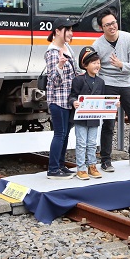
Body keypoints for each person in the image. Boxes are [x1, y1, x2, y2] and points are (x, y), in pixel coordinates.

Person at [92, 8, 130, 171]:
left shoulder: (128, 38)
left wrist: (121, 65)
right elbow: (91, 65)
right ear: (101, 28)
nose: (112, 27)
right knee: (108, 124)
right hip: (108, 84)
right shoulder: (97, 45)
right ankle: (105, 159)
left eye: (114, 23)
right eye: (107, 25)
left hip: (126, 83)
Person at [45, 17, 80, 180]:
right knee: (59, 133)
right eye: (68, 30)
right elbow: (54, 81)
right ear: (57, 31)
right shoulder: (52, 52)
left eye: (71, 30)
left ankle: (60, 164)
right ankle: (53, 169)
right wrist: (59, 66)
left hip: (67, 100)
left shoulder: (67, 48)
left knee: (65, 134)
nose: (71, 33)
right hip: (57, 100)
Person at [69, 46, 106, 180]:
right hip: (81, 118)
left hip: (94, 118)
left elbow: (103, 99)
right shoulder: (78, 80)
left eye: (98, 63)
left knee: (92, 143)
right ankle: (81, 168)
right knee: (81, 143)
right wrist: (74, 102)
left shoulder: (101, 82)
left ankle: (92, 166)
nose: (97, 65)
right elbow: (72, 96)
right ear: (85, 65)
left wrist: (112, 104)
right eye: (94, 63)